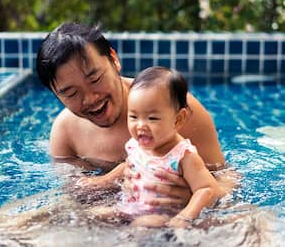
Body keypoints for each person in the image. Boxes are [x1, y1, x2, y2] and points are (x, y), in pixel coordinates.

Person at [36, 22, 228, 206]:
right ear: (56, 95)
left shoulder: (172, 110)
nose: (90, 98)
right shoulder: (65, 133)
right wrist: (110, 182)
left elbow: (226, 179)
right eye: (71, 93)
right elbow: (76, 199)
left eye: (95, 79)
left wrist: (194, 196)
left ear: (114, 59)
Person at [78, 66, 228, 228]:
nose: (141, 125)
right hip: (131, 206)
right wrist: (104, 181)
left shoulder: (183, 156)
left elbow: (205, 189)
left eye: (152, 118)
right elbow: (128, 165)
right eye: (134, 116)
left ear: (178, 119)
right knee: (89, 215)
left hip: (163, 214)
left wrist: (185, 216)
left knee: (143, 225)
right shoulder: (138, 145)